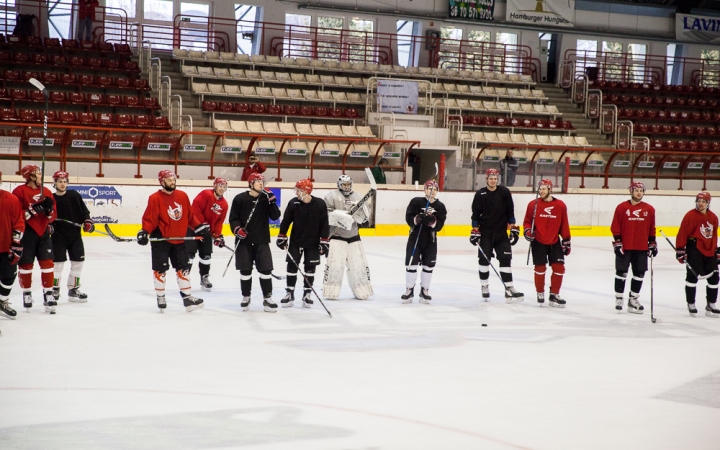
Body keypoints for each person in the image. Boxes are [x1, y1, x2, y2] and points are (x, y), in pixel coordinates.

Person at [138, 170, 211, 312]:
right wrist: (144, 231)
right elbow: (149, 218)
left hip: (179, 239)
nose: (173, 182)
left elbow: (190, 216)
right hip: (161, 240)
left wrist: (199, 227)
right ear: (162, 182)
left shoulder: (182, 196)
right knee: (160, 270)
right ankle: (160, 297)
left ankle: (187, 298)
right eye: (169, 179)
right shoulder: (155, 198)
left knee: (183, 270)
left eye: (174, 179)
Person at [229, 173, 281, 312]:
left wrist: (272, 202)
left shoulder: (265, 199)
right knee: (245, 271)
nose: (261, 184)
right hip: (243, 241)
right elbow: (233, 219)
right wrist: (237, 229)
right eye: (258, 181)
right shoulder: (240, 198)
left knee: (266, 271)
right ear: (251, 184)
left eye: (263, 181)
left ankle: (267, 298)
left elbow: (275, 216)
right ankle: (246, 296)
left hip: (262, 240)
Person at [470, 168, 524, 302]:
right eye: (491, 178)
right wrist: (475, 231)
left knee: (506, 260)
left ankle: (509, 288)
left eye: (495, 178)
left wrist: (512, 228)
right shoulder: (480, 193)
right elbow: (475, 214)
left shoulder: (504, 192)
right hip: (486, 233)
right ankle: (484, 286)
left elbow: (510, 211)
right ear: (486, 179)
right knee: (483, 260)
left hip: (501, 233)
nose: (493, 180)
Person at [277, 179, 330, 308]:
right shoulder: (293, 203)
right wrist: (282, 236)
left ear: (307, 191)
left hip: (313, 242)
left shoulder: (319, 204)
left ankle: (307, 294)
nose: (297, 193)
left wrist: (324, 241)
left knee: (310, 268)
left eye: (299, 190)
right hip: (296, 241)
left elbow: (324, 224)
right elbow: (286, 221)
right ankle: (289, 293)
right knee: (291, 267)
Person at [13, 165, 57, 314]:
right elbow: (16, 214)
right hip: (27, 233)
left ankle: (49, 293)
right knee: (26, 265)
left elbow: (53, 215)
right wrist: (32, 210)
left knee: (48, 263)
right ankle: (27, 294)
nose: (41, 176)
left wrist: (49, 211)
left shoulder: (47, 191)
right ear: (31, 176)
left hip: (43, 233)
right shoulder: (19, 191)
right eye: (38, 173)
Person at [322, 174, 373, 300]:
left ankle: (361, 290)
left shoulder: (358, 196)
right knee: (335, 265)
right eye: (344, 184)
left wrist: (363, 217)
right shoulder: (331, 196)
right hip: (337, 236)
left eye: (348, 184)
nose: (346, 187)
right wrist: (340, 216)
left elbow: (365, 213)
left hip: (353, 236)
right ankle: (331, 290)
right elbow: (325, 214)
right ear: (339, 185)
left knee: (358, 265)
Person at [611, 181, 657, 314]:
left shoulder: (649, 209)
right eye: (636, 190)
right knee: (621, 272)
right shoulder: (621, 208)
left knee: (639, 273)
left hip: (641, 247)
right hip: (625, 247)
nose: (639, 193)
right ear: (631, 191)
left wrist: (652, 243)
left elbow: (651, 228)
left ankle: (633, 299)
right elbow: (615, 226)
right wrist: (617, 242)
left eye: (641, 190)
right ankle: (619, 298)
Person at [523, 179, 571, 307]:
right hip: (538, 241)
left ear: (550, 189)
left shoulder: (560, 205)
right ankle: (540, 292)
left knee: (559, 268)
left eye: (544, 188)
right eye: (540, 188)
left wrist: (566, 240)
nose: (541, 191)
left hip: (554, 241)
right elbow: (527, 221)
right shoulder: (533, 204)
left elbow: (564, 223)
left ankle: (554, 294)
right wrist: (528, 231)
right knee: (540, 268)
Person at [401, 179, 447, 304]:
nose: (432, 192)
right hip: (415, 237)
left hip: (430, 240)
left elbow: (440, 225)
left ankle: (424, 290)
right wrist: (417, 218)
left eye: (435, 189)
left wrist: (433, 222)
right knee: (411, 263)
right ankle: (409, 290)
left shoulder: (440, 206)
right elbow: (408, 217)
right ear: (425, 189)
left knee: (428, 265)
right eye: (430, 189)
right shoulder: (416, 202)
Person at [51, 171, 94, 303]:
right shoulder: (51, 198)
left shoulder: (74, 195)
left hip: (75, 235)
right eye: (60, 181)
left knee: (78, 263)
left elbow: (84, 212)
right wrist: (49, 225)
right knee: (57, 264)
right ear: (55, 183)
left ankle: (73, 289)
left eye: (65, 181)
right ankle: (54, 289)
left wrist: (87, 221)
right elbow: (47, 217)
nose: (62, 184)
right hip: (58, 236)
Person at [676, 192, 720, 318]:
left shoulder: (713, 217)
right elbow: (682, 233)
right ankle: (691, 303)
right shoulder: (690, 216)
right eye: (699, 201)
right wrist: (680, 250)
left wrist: (716, 250)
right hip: (694, 248)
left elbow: (713, 235)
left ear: (708, 203)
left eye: (703, 201)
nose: (700, 204)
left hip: (709, 249)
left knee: (714, 277)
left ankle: (711, 304)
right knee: (692, 276)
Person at [186, 177, 229, 292]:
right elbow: (195, 209)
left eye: (224, 187)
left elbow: (219, 222)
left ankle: (204, 277)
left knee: (206, 256)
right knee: (189, 255)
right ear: (215, 186)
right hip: (192, 228)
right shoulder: (206, 194)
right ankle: (185, 277)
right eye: (220, 186)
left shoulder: (224, 204)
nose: (222, 188)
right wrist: (200, 225)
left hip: (207, 233)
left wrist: (217, 235)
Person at [0, 180, 24, 320]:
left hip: (5, 247)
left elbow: (19, 223)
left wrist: (16, 243)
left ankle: (2, 301)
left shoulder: (11, 199)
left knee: (9, 276)